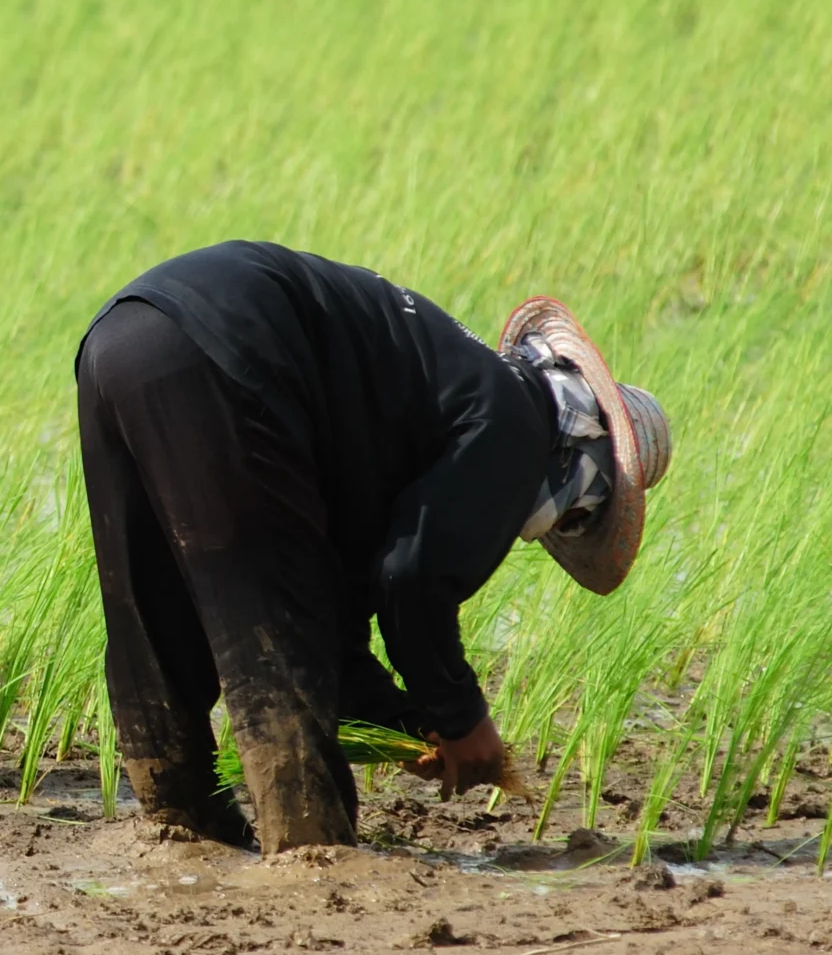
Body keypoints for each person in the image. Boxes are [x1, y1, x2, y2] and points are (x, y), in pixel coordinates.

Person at [74, 240, 671, 853]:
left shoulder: (433, 405)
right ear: (584, 463)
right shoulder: (514, 424)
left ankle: (180, 831)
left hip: (116, 339)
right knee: (271, 643)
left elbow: (336, 623)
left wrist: (412, 727)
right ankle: (310, 854)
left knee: (152, 614)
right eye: (578, 515)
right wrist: (463, 718)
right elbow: (410, 581)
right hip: (227, 346)